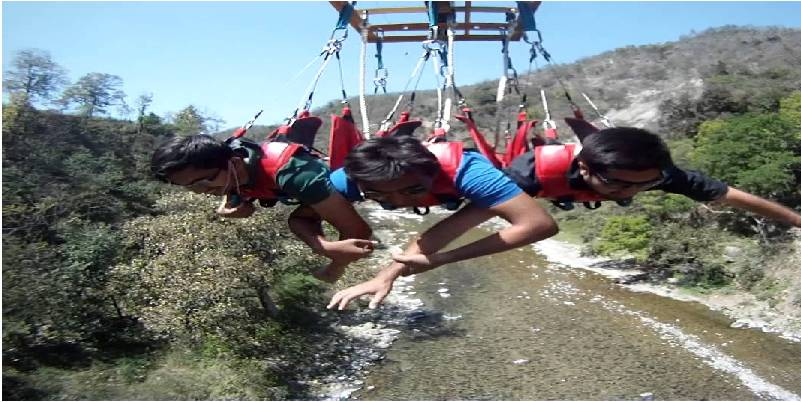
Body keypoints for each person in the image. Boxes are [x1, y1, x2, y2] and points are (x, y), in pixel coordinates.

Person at [502, 126, 801, 244]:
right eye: (619, 186)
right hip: (550, 179)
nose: (630, 192)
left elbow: (739, 198)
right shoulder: (530, 173)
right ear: (583, 169)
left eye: (642, 186)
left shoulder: (660, 175)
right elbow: (478, 209)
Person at [326, 135, 558, 310]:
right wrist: (323, 247)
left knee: (481, 208)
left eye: (413, 190)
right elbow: (302, 217)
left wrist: (442, 259)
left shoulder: (471, 173)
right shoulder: (349, 180)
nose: (399, 201)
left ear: (433, 174)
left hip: (476, 189)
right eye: (381, 196)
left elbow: (539, 224)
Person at [150, 134, 375, 283]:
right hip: (294, 192)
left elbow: (360, 233)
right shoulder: (227, 172)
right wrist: (229, 204)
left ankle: (333, 266)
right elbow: (232, 193)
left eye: (202, 182)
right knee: (297, 221)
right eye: (188, 187)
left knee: (301, 222)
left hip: (334, 182)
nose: (199, 191)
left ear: (235, 164)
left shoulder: (296, 176)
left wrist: (329, 255)